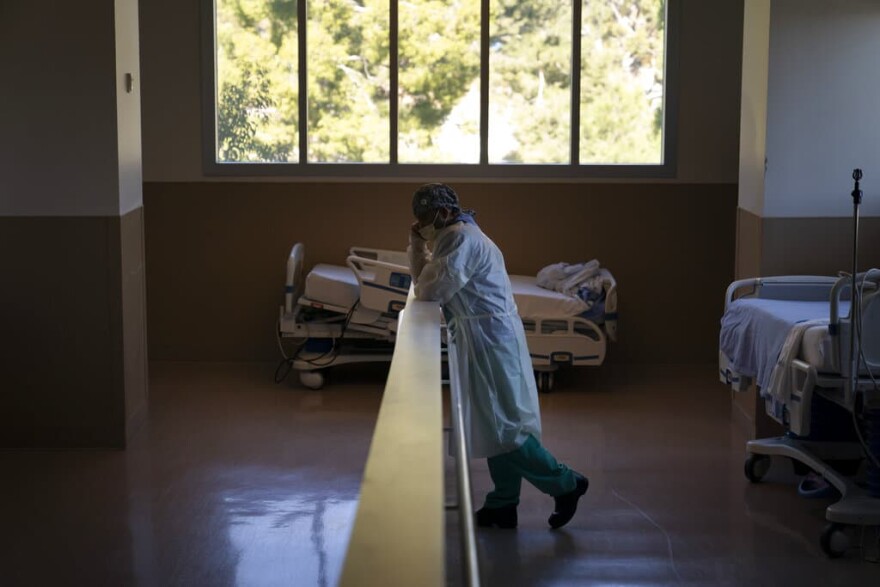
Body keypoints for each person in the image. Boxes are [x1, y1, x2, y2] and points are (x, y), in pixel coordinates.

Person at [407, 183, 589, 529]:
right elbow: (428, 284)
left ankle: (567, 484)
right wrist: (418, 247)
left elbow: (430, 290)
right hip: (487, 338)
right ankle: (503, 503)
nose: (421, 226)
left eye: (425, 218)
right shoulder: (457, 236)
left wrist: (417, 248)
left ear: (444, 213)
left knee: (505, 429)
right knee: (496, 425)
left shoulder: (460, 238)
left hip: (488, 340)